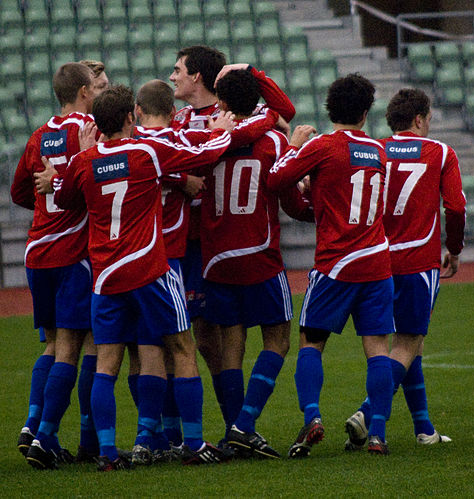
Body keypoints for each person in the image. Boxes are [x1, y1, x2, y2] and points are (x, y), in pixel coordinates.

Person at [38, 84, 239, 471]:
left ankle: (109, 454)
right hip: (150, 270)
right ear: (132, 115)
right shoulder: (146, 152)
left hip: (106, 278)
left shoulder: (85, 160)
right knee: (181, 349)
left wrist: (77, 158)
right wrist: (222, 130)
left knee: (106, 365)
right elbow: (203, 153)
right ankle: (194, 442)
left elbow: (61, 197)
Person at [169, 45, 297, 434]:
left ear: (199, 79)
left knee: (217, 338)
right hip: (194, 242)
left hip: (210, 242)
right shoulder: (182, 121)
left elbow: (278, 114)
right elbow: (164, 160)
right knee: (196, 338)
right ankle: (228, 426)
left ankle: (231, 426)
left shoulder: (218, 126)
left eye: (178, 70)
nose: (172, 76)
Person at [267, 73, 395, 456]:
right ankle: (377, 435)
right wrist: (318, 189)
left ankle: (313, 416)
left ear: (328, 107)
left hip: (335, 264)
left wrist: (292, 147)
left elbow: (275, 181)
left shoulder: (322, 145)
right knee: (377, 350)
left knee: (311, 343)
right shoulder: (378, 151)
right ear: (366, 112)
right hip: (376, 262)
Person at [200, 69, 314, 459]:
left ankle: (236, 434)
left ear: (224, 103)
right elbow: (292, 202)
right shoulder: (272, 140)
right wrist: (319, 208)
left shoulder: (208, 138)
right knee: (278, 341)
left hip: (216, 259)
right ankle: (244, 425)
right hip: (259, 256)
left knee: (232, 346)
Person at [344, 88, 466, 450]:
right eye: (428, 118)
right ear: (418, 119)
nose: (430, 125)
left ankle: (423, 429)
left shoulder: (374, 149)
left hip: (377, 260)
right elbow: (456, 208)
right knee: (409, 341)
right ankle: (369, 412)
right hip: (418, 261)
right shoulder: (441, 152)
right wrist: (455, 251)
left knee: (412, 345)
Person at [11, 62, 100, 468]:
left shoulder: (39, 135)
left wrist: (48, 209)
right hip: (72, 254)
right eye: (95, 87)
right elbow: (96, 182)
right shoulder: (88, 130)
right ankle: (48, 437)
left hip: (37, 252)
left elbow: (19, 192)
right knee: (74, 346)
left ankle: (32, 425)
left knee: (52, 343)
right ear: (83, 91)